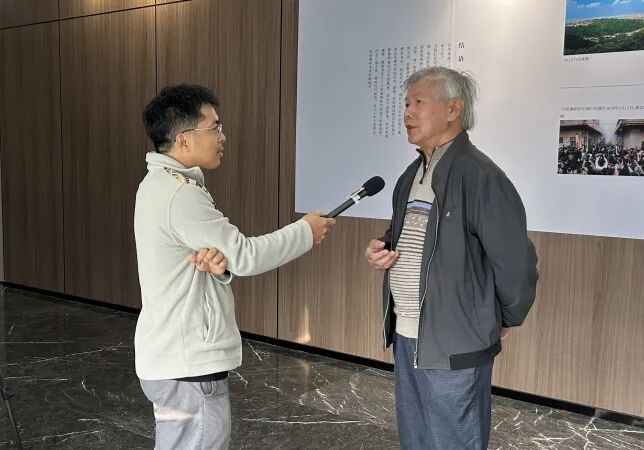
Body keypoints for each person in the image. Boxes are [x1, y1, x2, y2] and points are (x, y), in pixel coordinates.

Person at [134, 84, 335, 449]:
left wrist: (220, 264)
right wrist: (305, 232)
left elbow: (210, 258)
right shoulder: (180, 193)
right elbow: (246, 255)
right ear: (183, 139)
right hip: (188, 361)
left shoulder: (158, 184)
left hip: (172, 356)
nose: (222, 136)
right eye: (214, 127)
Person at [364, 67, 538, 450]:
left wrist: (502, 318)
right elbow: (404, 234)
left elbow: (515, 260)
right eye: (406, 103)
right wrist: (382, 246)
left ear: (453, 109)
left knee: (454, 442)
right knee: (416, 439)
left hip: (456, 341)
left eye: (418, 102)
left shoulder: (480, 176)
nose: (407, 113)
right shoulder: (412, 174)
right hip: (407, 334)